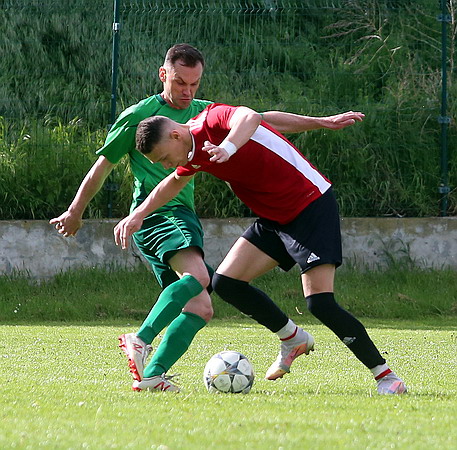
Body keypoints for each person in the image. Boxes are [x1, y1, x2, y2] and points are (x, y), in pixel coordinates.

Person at [50, 43, 366, 393]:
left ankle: (152, 376)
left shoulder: (202, 112)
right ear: (163, 75)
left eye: (194, 84)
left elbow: (260, 119)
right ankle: (140, 339)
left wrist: (320, 122)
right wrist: (77, 210)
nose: (187, 92)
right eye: (180, 83)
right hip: (159, 217)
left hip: (182, 215)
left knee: (201, 306)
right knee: (201, 276)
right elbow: (105, 165)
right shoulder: (140, 117)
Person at [114, 102, 407, 395]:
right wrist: (138, 214)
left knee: (320, 303)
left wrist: (228, 147)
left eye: (164, 158)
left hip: (310, 205)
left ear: (175, 135)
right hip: (275, 217)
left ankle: (386, 377)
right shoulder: (192, 153)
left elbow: (251, 117)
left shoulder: (211, 120)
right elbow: (175, 181)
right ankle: (292, 338)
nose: (166, 165)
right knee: (226, 283)